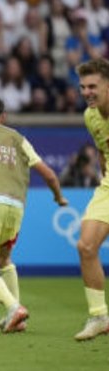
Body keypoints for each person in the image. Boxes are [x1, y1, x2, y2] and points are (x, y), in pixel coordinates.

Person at [0, 95, 67, 333]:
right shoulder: (18, 138)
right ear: (4, 116)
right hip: (16, 205)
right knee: (4, 259)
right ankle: (18, 319)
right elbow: (48, 174)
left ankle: (14, 307)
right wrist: (59, 197)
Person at [74, 58, 109, 340]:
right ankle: (99, 317)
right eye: (83, 87)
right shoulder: (90, 115)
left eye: (93, 86)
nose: (87, 92)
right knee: (86, 246)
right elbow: (101, 149)